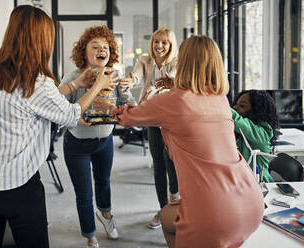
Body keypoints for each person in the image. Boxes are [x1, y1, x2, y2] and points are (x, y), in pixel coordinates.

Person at [0, 6, 114, 248]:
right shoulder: (38, 82)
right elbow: (71, 114)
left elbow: (35, 103)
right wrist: (97, 86)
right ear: (41, 40)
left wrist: (75, 83)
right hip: (16, 186)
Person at [106, 35, 264, 247]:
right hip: (251, 201)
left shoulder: (173, 100)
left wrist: (107, 106)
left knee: (167, 219)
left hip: (215, 211)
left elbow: (126, 117)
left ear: (184, 62)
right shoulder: (220, 100)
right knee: (168, 214)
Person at [60, 25, 136, 248]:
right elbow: (59, 110)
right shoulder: (73, 77)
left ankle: (106, 215)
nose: (101, 50)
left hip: (105, 141)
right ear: (84, 52)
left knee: (104, 182)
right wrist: (75, 119)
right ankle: (90, 236)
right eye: (95, 46)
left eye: (105, 47)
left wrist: (126, 96)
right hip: (77, 144)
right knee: (83, 193)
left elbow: (127, 104)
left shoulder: (116, 74)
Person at [119, 27, 179, 229]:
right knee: (158, 164)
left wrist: (162, 86)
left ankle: (176, 205)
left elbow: (179, 84)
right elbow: (135, 76)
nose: (159, 46)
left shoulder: (177, 63)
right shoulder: (145, 60)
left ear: (170, 45)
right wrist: (131, 81)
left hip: (172, 119)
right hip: (153, 117)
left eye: (164, 42)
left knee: (171, 161)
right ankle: (163, 209)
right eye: (156, 41)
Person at [232, 90, 278, 182]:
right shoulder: (239, 132)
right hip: (243, 181)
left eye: (242, 106)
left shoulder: (263, 133)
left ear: (256, 111)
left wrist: (220, 105)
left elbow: (238, 121)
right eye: (236, 104)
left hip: (260, 183)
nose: (234, 107)